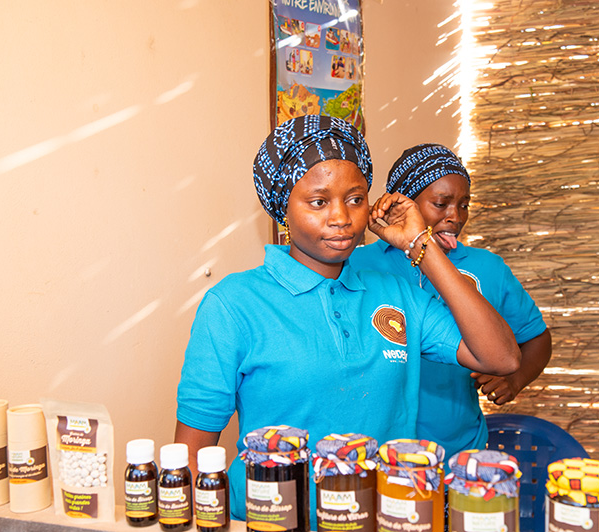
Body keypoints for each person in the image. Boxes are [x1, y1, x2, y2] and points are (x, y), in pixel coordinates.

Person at [173, 116, 521, 523]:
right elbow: (193, 456)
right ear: (282, 207)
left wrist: (420, 245)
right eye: (318, 202)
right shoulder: (233, 304)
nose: (341, 217)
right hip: (269, 521)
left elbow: (502, 358)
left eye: (355, 199)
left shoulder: (397, 295)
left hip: (385, 519)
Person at [350, 143, 552, 462]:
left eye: (464, 205)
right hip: (378, 454)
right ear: (404, 204)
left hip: (460, 452)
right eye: (441, 203)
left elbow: (537, 338)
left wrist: (514, 379)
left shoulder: (488, 267)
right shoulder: (357, 265)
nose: (455, 216)